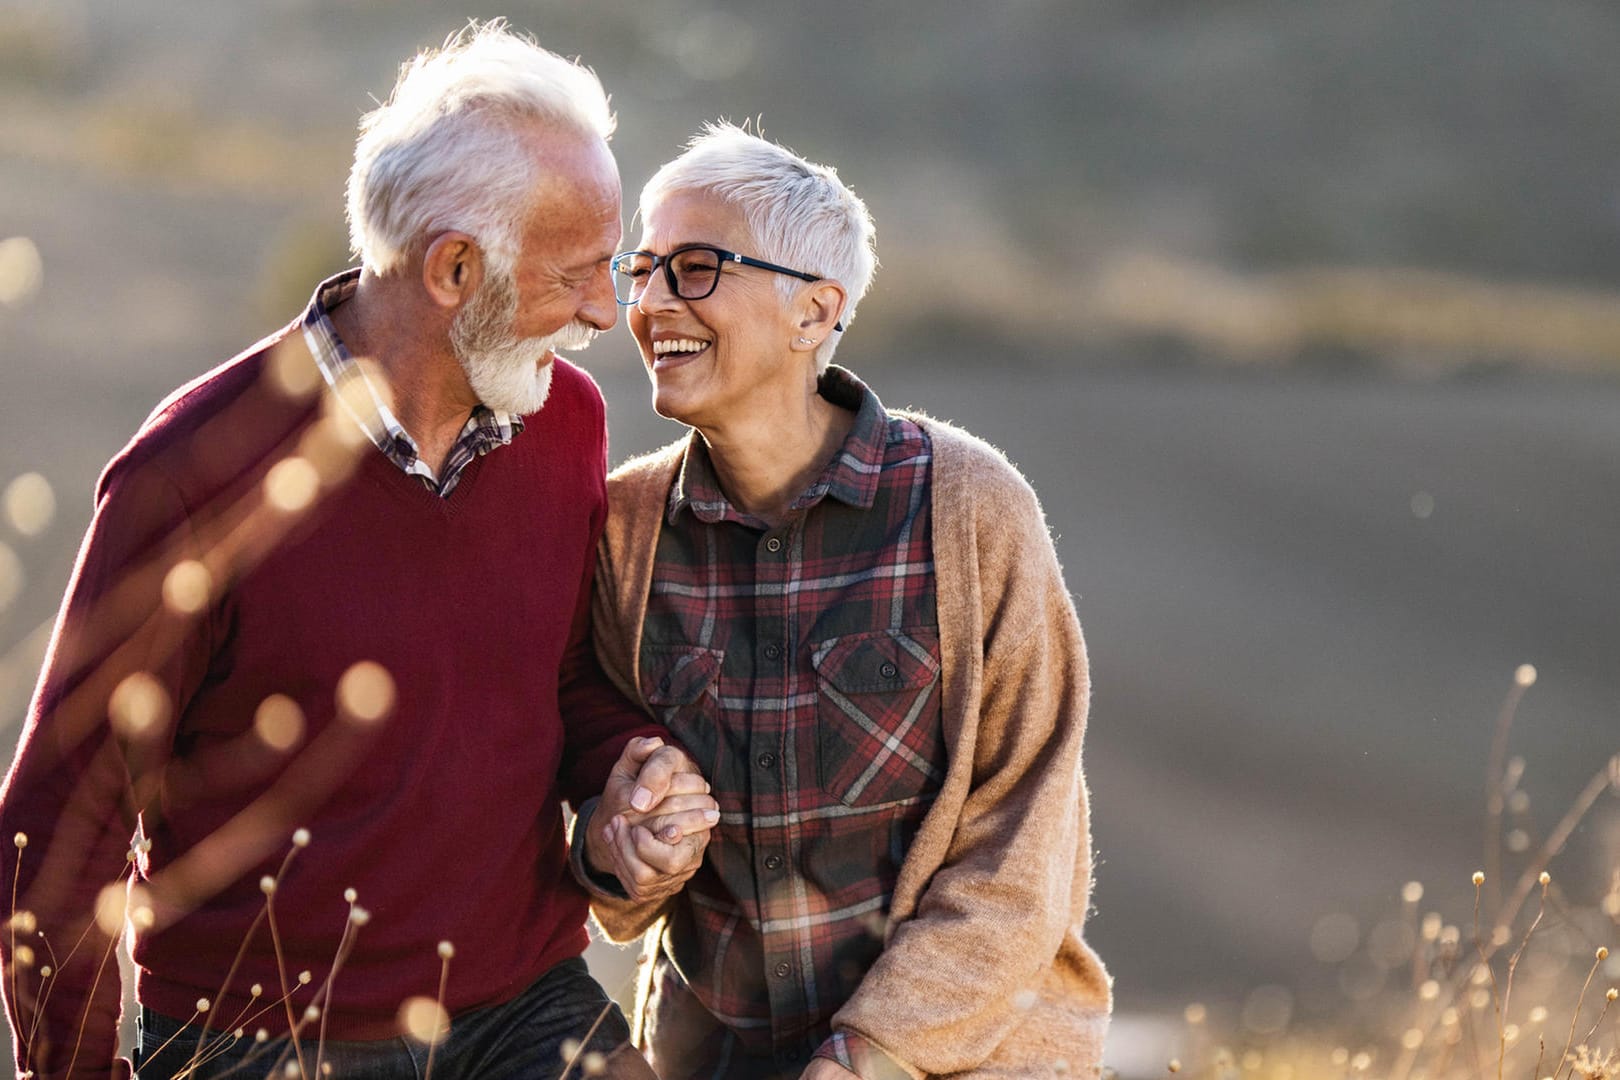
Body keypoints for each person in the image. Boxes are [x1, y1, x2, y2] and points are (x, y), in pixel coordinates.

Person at [0, 23, 714, 1080]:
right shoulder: (194, 474)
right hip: (259, 1037)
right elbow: (58, 834)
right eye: (577, 275)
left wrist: (626, 776)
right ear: (454, 269)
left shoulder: (563, 419)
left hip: (524, 1009)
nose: (606, 312)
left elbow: (552, 674)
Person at [580, 123, 1112, 1080]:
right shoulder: (624, 532)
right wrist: (621, 846)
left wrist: (868, 1058)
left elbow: (1026, 847)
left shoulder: (970, 507)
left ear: (814, 312)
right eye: (644, 268)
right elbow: (589, 819)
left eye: (696, 268)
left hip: (960, 1057)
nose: (653, 302)